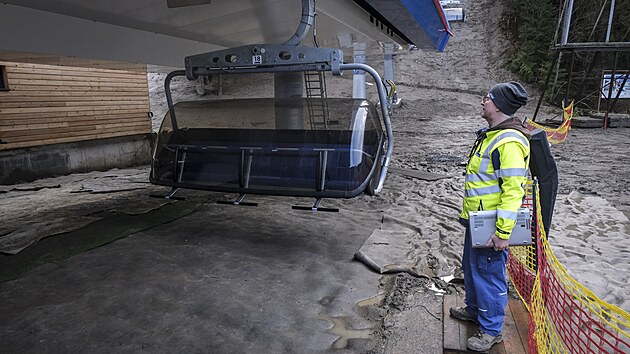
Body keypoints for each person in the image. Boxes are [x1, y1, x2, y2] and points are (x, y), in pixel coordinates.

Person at [450, 81, 531, 352]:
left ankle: (491, 329)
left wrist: (503, 233)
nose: (483, 101)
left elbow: (513, 192)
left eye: (487, 98)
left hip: (492, 227)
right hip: (478, 221)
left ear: (499, 105)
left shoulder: (508, 142)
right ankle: (475, 310)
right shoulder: (494, 135)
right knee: (473, 269)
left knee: (489, 274)